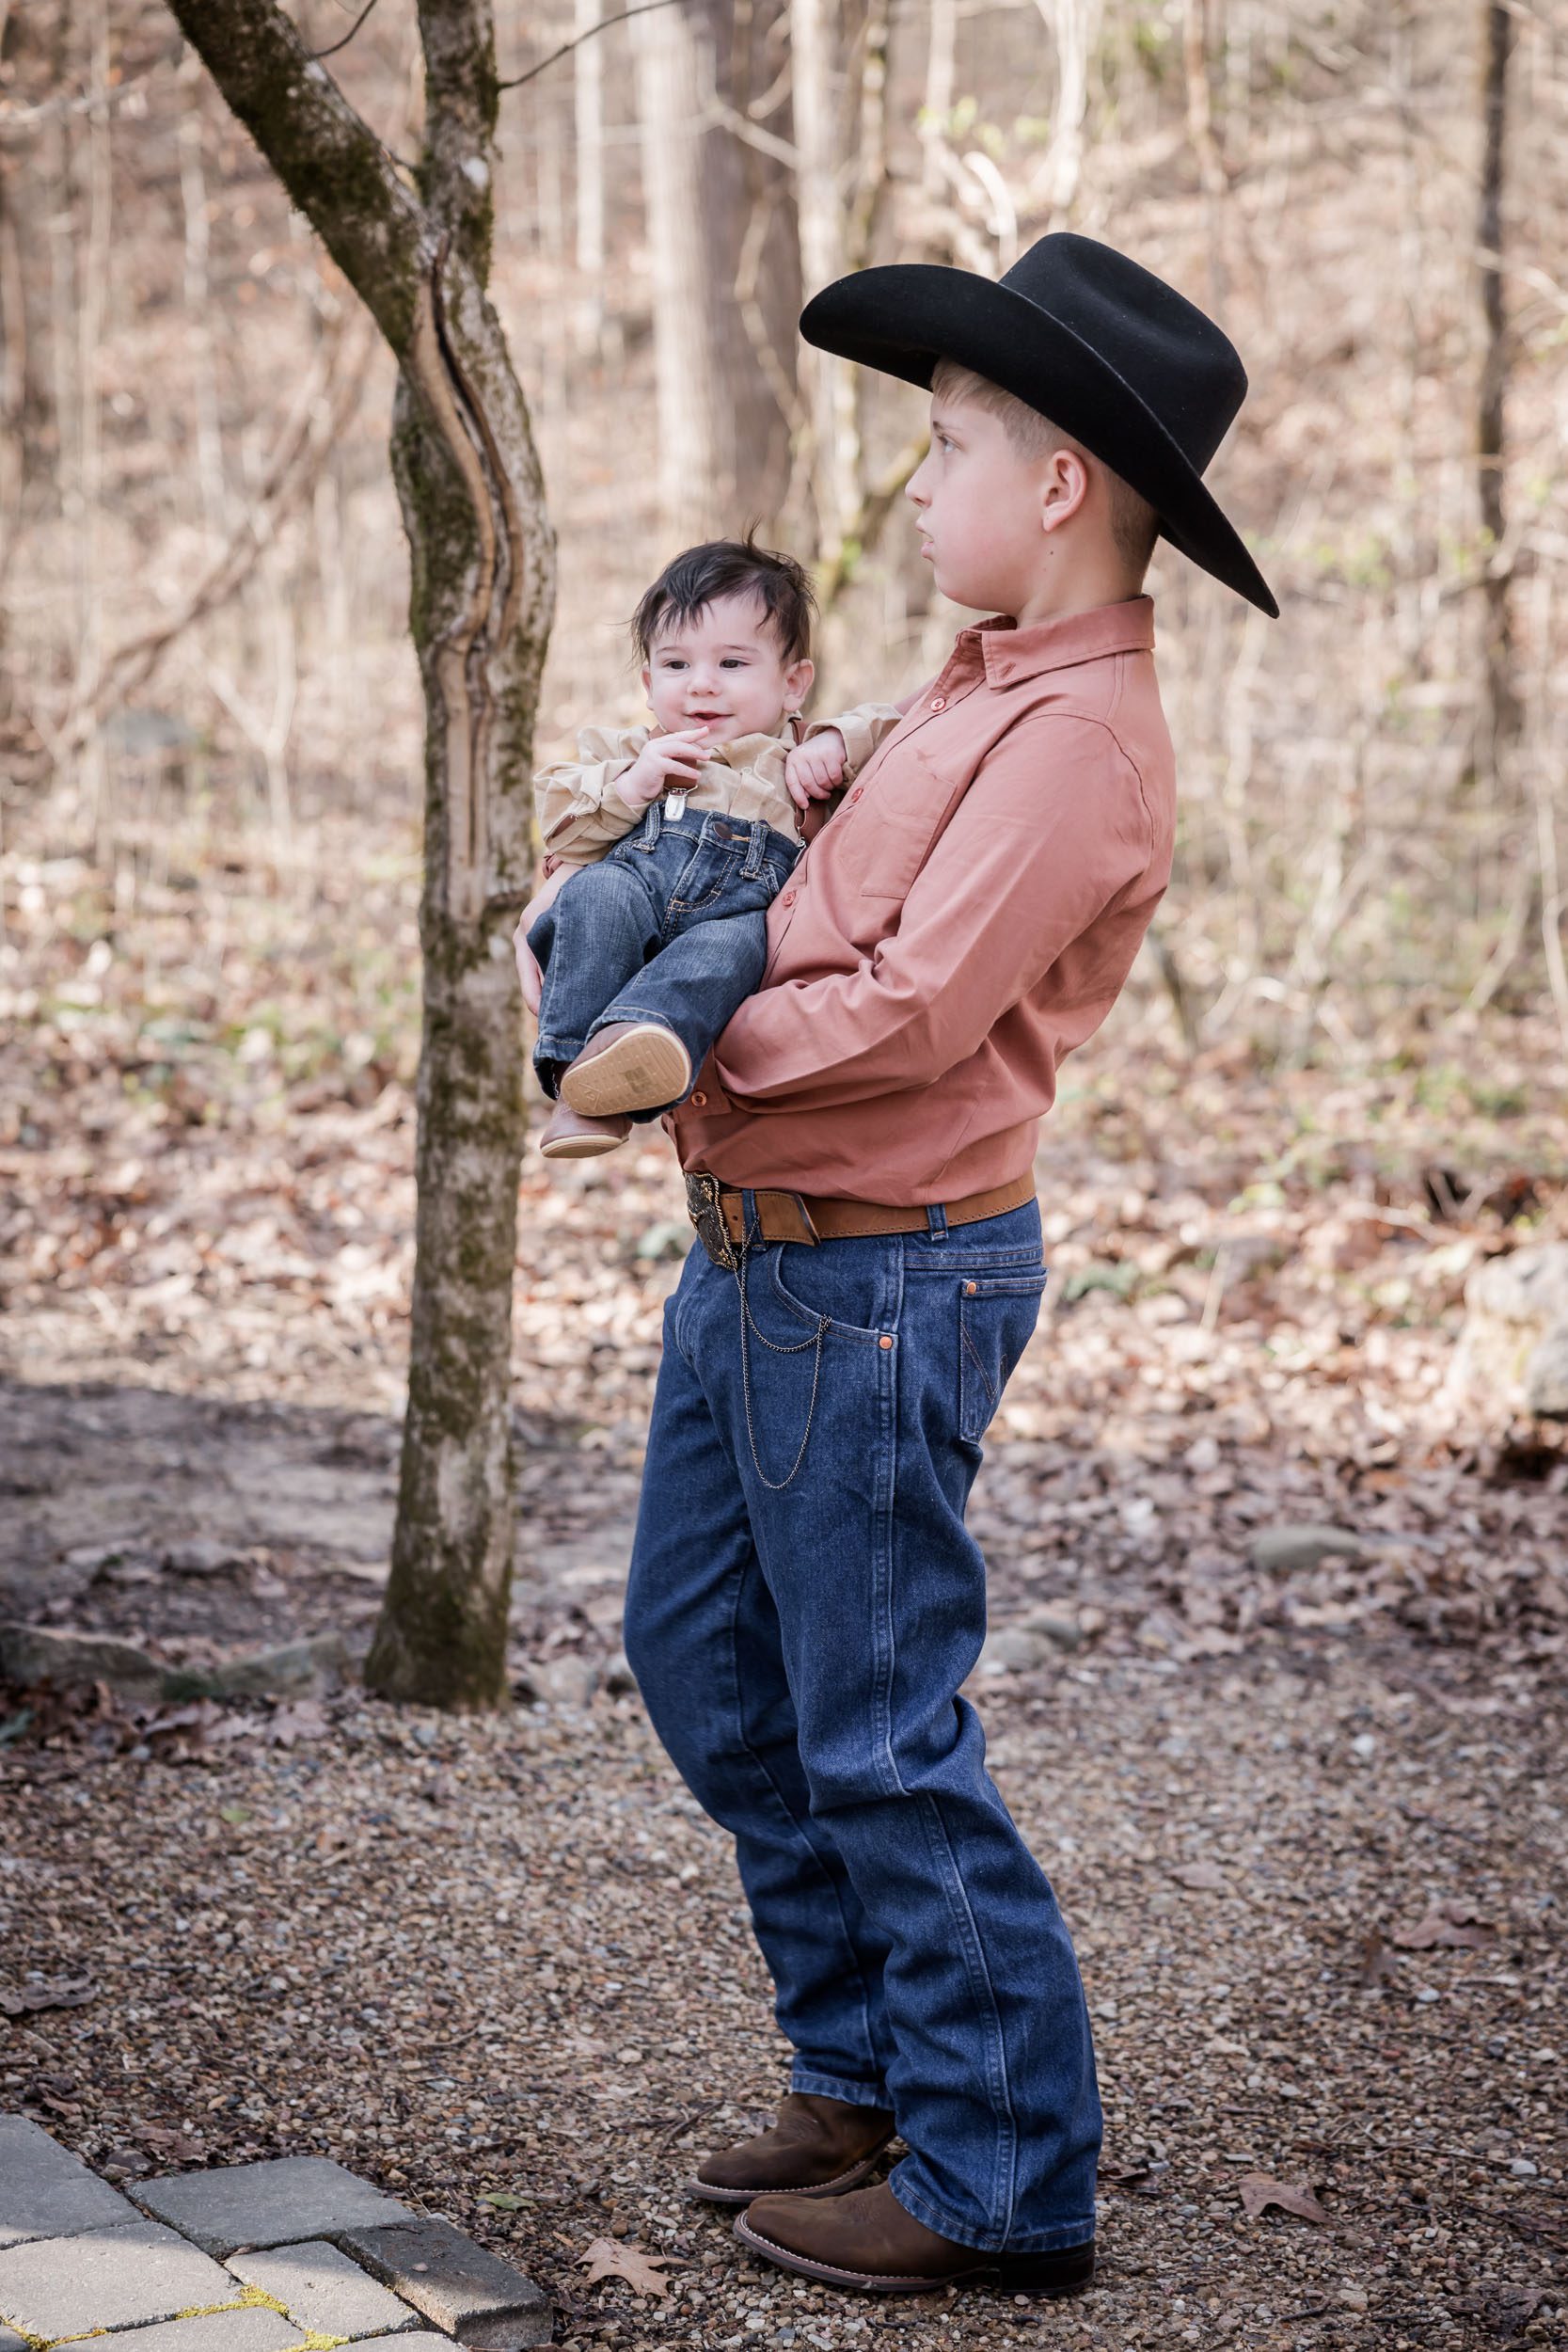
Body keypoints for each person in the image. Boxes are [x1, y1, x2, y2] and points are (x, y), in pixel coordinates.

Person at [515, 232, 1275, 2299]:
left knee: (871, 1722)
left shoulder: (1075, 738)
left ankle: (1000, 2167)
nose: (913, 487)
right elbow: (813, 898)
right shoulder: (966, 679)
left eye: (945, 448)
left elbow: (915, 1003)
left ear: (1058, 483)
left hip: (880, 1277)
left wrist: (671, 1058)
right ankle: (861, 2068)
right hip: (757, 1252)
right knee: (702, 1659)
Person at [526, 536, 901, 1159]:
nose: (701, 686)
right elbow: (564, 827)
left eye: (731, 664)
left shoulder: (795, 757)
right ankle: (574, 1081)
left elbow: (903, 734)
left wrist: (836, 741)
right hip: (637, 896)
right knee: (597, 893)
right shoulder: (632, 751)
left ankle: (636, 1045)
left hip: (734, 917)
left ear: (793, 683)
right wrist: (633, 784)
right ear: (649, 684)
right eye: (676, 666)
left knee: (730, 952)